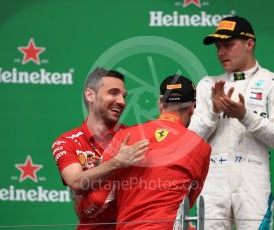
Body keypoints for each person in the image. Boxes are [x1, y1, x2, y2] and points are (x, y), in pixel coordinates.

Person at [188, 16, 274, 230]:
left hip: (253, 178)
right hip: (212, 181)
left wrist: (245, 115)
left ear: (249, 43)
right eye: (218, 47)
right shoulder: (207, 84)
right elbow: (191, 139)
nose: (221, 52)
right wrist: (213, 112)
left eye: (228, 45)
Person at [75, 74, 212, 229]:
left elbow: (100, 200)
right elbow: (187, 202)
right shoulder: (201, 147)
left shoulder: (125, 137)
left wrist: (81, 208)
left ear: (160, 103)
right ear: (193, 107)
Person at [52, 67, 149, 230]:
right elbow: (76, 182)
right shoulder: (67, 142)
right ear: (90, 95)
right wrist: (117, 162)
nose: (122, 102)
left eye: (124, 96)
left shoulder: (134, 136)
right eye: (113, 93)